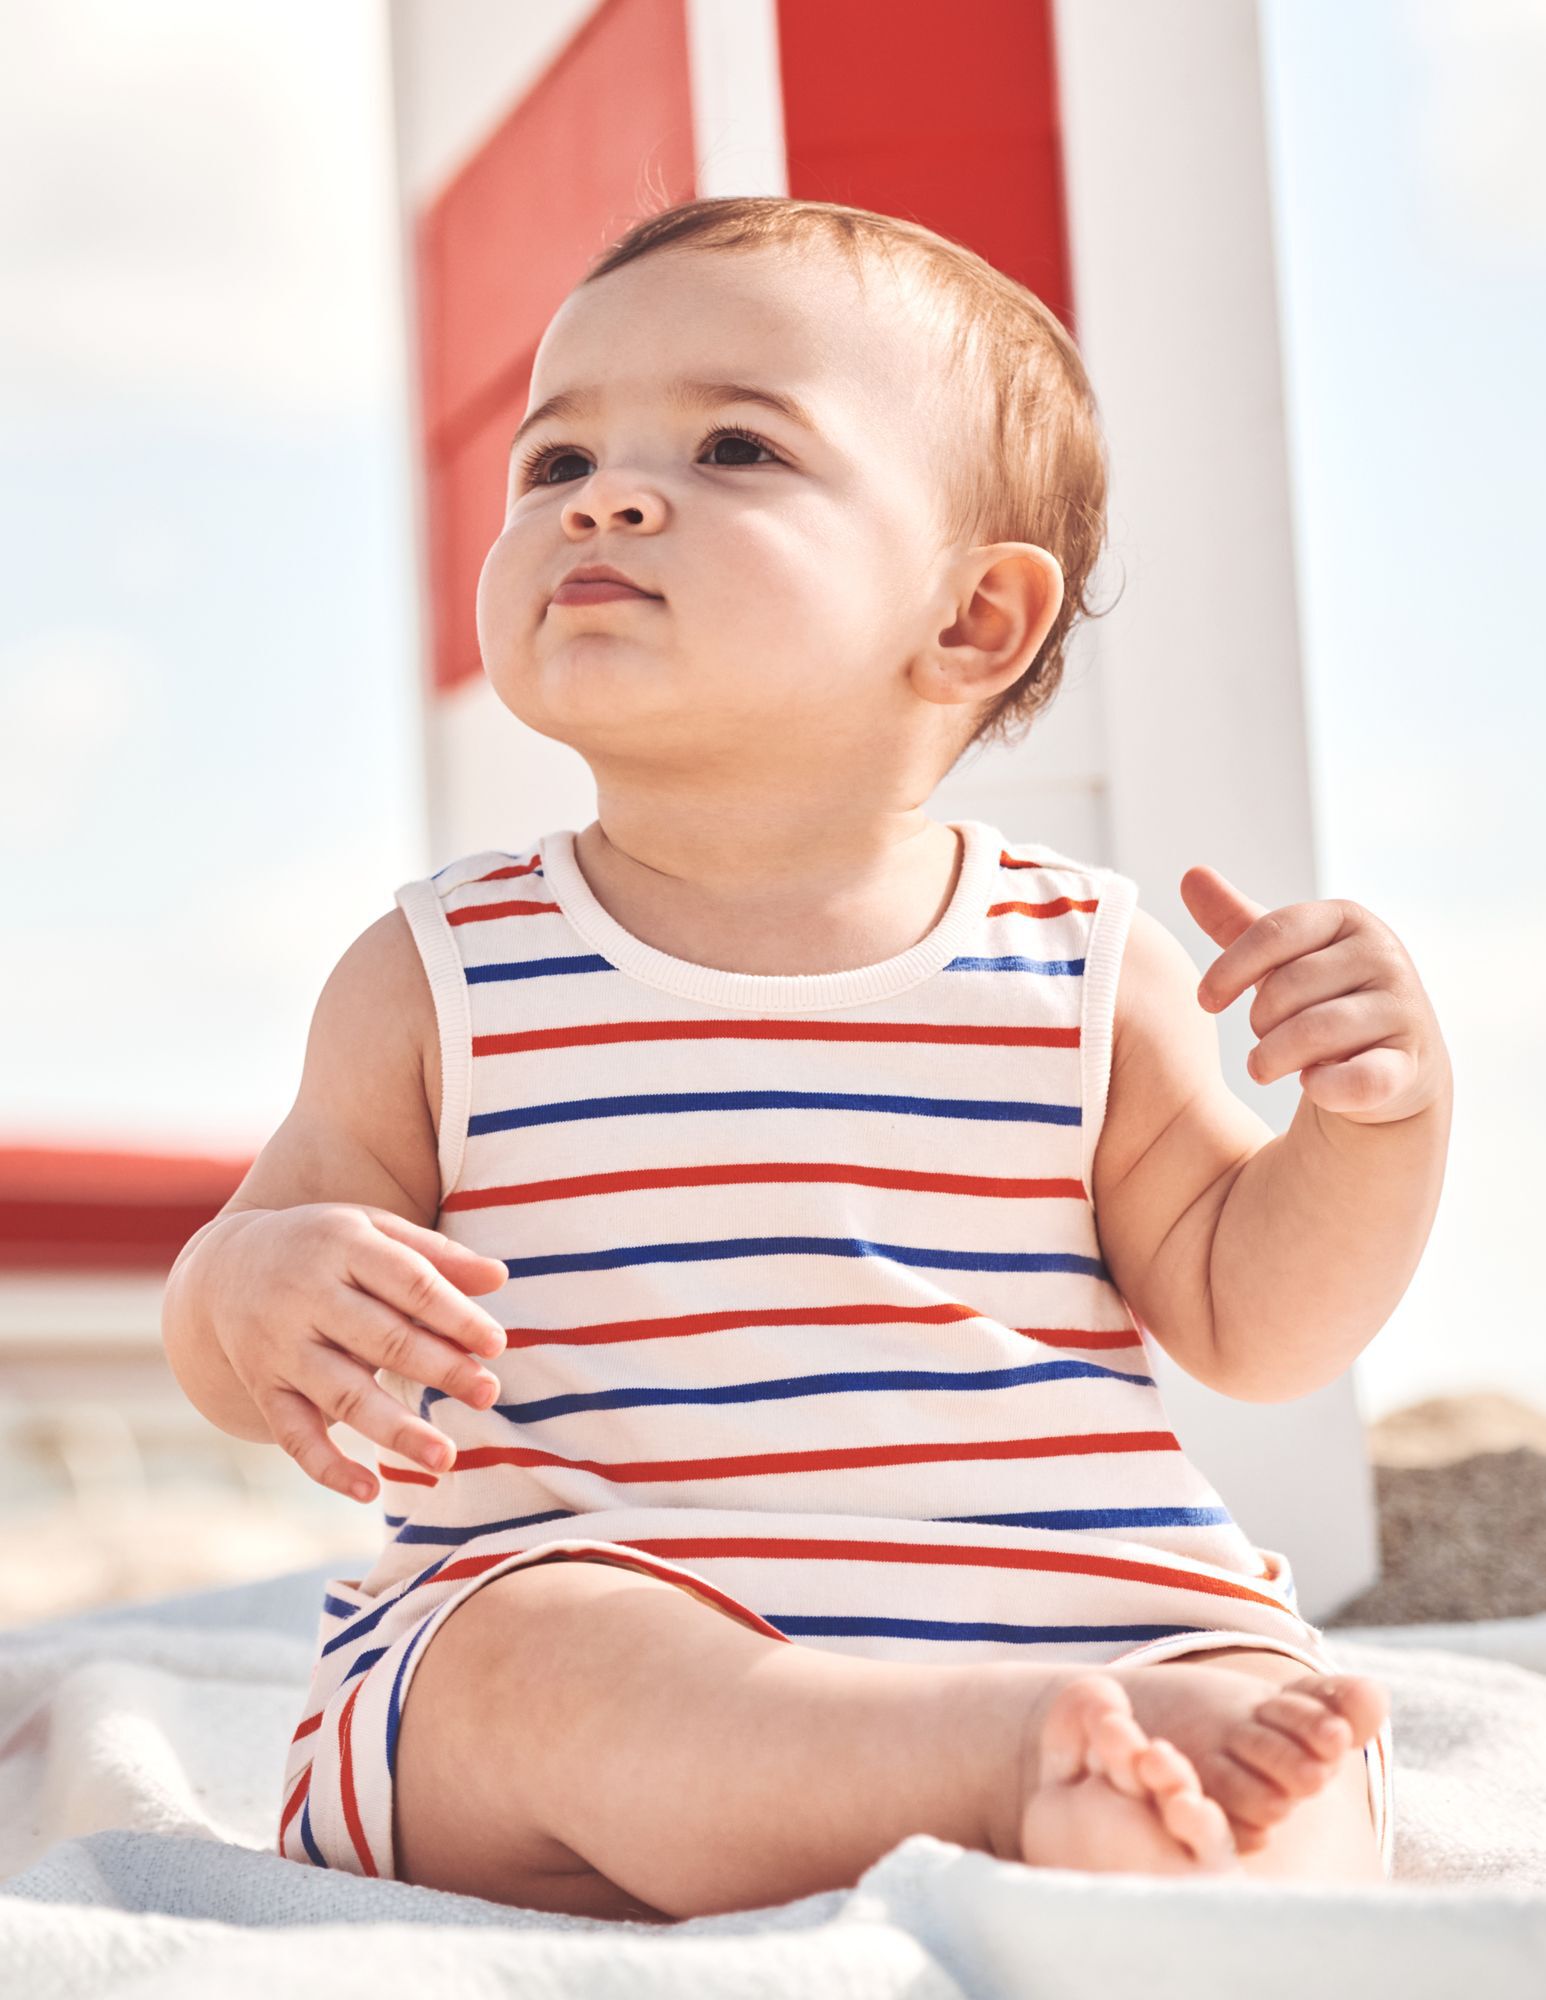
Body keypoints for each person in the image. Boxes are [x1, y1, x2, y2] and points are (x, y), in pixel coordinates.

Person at [162, 195, 1451, 1922]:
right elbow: (243, 1330)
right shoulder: (440, 974)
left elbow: (1257, 1319)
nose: (608, 496)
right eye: (556, 464)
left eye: (733, 445)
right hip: (615, 1618)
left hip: (1075, 1614)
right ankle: (1004, 1782)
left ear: (975, 620)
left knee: (1272, 1719)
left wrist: (1372, 1127)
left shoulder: (1082, 966)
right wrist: (254, 1291)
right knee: (532, 1669)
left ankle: (1148, 1843)